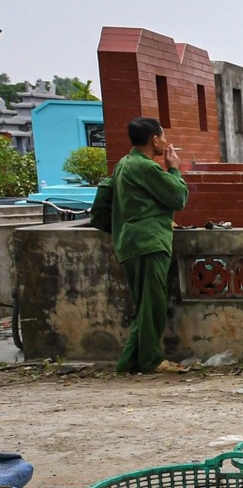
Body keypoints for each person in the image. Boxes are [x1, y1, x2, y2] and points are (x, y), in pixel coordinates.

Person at [95, 116, 188, 374]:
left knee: (145, 307)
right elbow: (177, 197)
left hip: (129, 241)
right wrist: (175, 169)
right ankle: (150, 360)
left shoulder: (123, 164)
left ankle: (128, 363)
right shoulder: (147, 168)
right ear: (154, 139)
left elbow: (116, 201)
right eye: (164, 137)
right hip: (148, 243)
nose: (166, 142)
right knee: (153, 307)